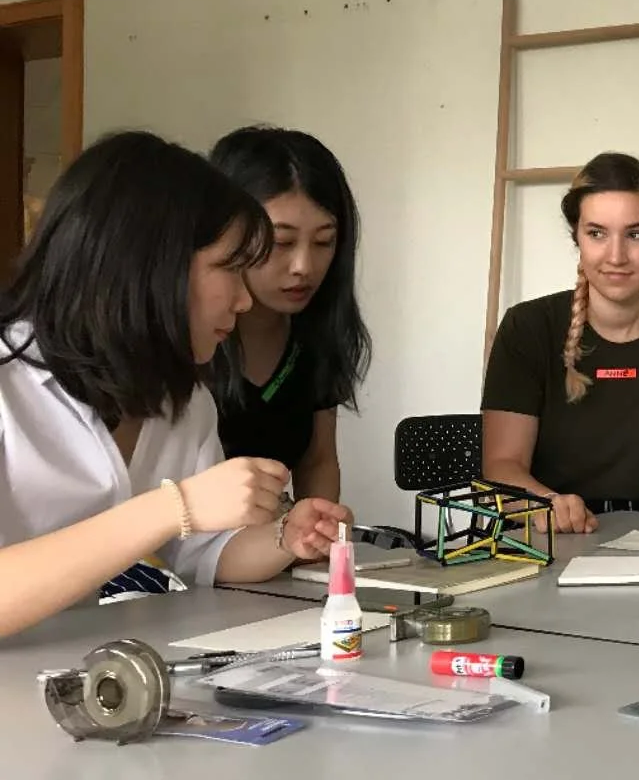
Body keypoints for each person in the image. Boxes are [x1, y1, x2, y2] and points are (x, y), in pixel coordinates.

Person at [0, 132, 351, 640]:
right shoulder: (10, 389)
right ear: (150, 266)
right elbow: (177, 517)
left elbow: (204, 552)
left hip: (67, 671)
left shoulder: (184, 399)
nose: (245, 301)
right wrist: (173, 507)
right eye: (230, 269)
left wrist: (285, 537)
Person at [481, 152, 639, 534]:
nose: (616, 256)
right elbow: (501, 466)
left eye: (635, 234)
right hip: (548, 532)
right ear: (576, 236)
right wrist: (548, 505)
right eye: (597, 233)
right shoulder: (526, 326)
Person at [209, 126, 371, 501]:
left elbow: (318, 462)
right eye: (281, 242)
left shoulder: (315, 336)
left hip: (267, 548)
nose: (303, 266)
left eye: (323, 242)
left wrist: (322, 541)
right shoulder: (188, 339)